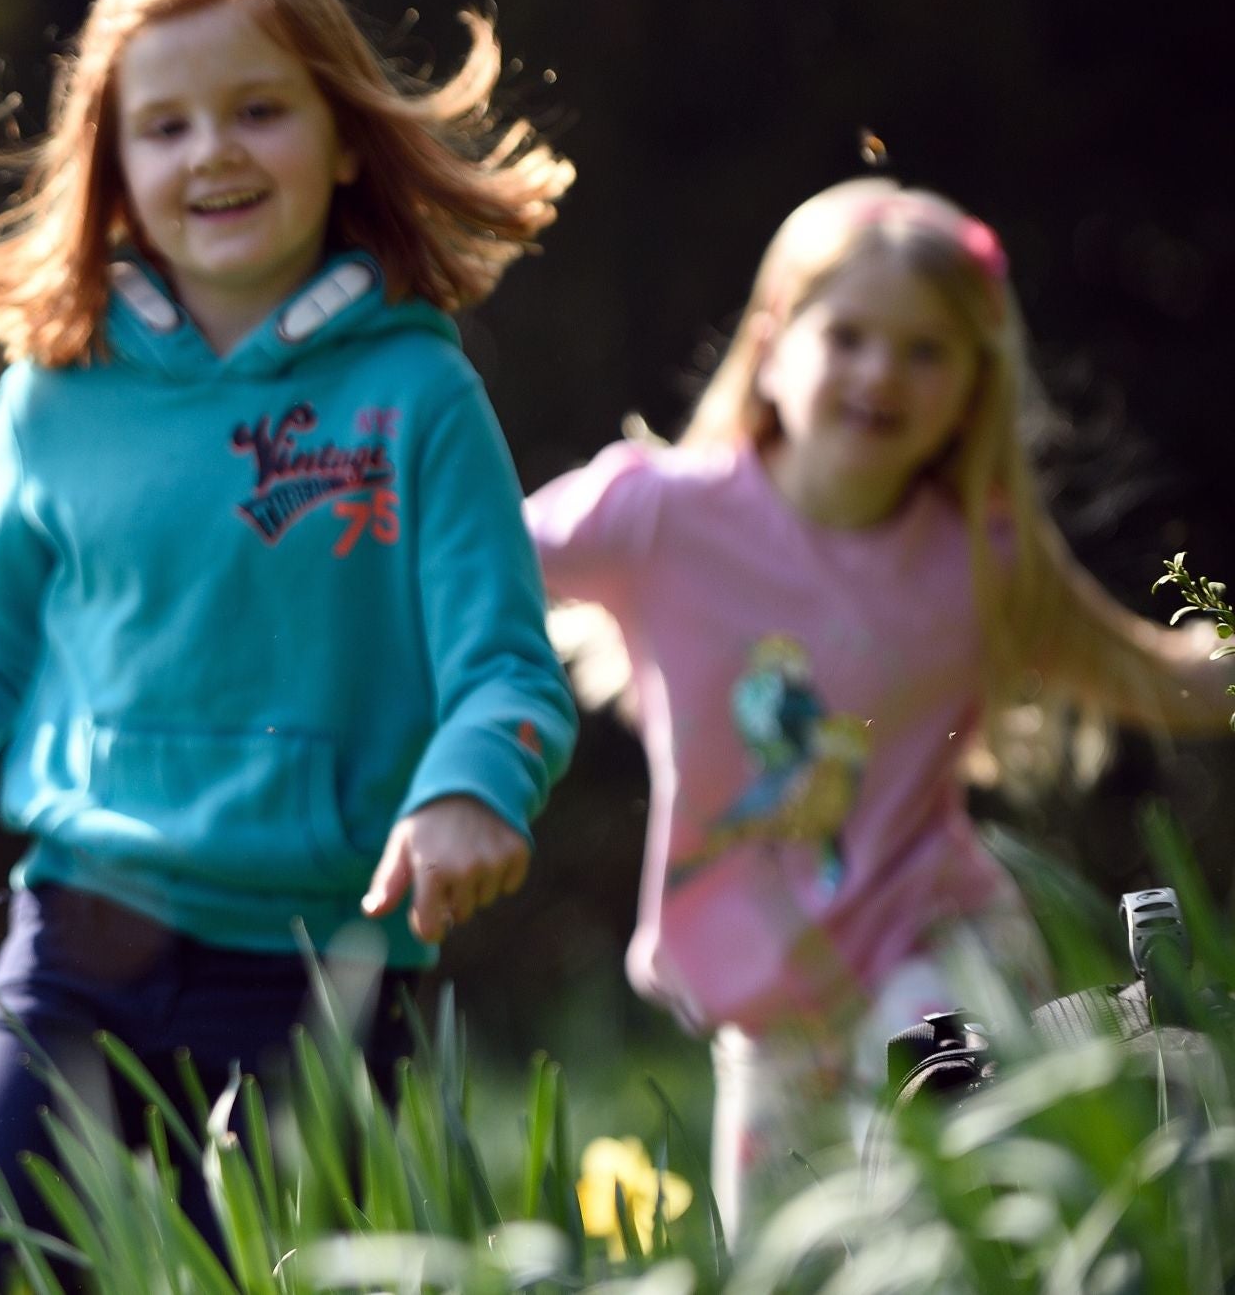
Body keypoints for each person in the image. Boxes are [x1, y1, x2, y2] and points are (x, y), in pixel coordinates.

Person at [0, 0, 579, 1290]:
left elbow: (507, 666)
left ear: (347, 133)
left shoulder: (416, 395)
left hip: (333, 975)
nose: (215, 153)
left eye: (260, 109)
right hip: (75, 951)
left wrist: (470, 789)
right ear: (115, 168)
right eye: (168, 125)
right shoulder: (55, 394)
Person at [524, 177, 1234, 1240]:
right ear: (773, 341)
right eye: (848, 335)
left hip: (936, 943)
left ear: (972, 387)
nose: (881, 374)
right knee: (783, 1252)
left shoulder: (978, 563)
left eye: (925, 351)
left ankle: (1031, 1124)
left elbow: (1154, 676)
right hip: (767, 1006)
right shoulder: (656, 515)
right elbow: (469, 563)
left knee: (930, 1094)